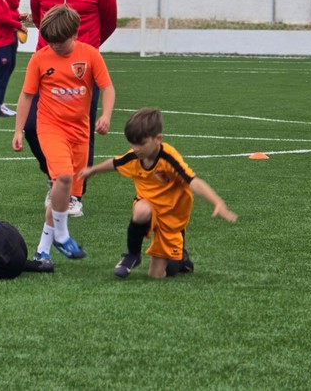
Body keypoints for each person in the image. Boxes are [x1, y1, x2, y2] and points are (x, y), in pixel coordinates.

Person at [78, 108, 238, 280]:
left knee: (157, 275)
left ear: (158, 139)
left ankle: (181, 259)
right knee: (141, 210)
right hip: (148, 205)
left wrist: (217, 202)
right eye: (132, 143)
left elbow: (193, 182)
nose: (136, 148)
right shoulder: (134, 156)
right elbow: (115, 163)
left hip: (171, 215)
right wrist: (93, 170)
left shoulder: (169, 158)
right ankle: (132, 255)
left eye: (141, 143)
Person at [25, 0, 118, 216]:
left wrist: (86, 51)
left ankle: (74, 194)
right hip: (47, 68)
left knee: (81, 133)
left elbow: (110, 21)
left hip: (81, 72)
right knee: (31, 127)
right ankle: (55, 177)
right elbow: (39, 18)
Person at [12, 4, 115, 265]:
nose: (55, 46)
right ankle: (62, 235)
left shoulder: (90, 56)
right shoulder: (40, 59)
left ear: (75, 33)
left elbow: (107, 88)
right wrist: (18, 130)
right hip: (50, 128)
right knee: (64, 177)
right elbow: (26, 96)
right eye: (51, 42)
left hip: (80, 133)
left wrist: (105, 115)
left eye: (60, 42)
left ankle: (42, 252)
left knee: (63, 194)